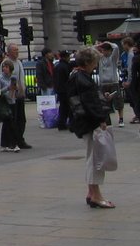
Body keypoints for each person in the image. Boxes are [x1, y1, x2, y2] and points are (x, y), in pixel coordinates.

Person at [67, 47, 114, 208]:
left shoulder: (76, 76)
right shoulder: (83, 79)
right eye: (94, 62)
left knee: (91, 157)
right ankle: (96, 195)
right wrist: (101, 118)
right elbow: (90, 103)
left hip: (83, 122)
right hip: (90, 122)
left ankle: (91, 192)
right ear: (87, 62)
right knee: (95, 159)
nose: (96, 65)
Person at [5, 44, 30, 149]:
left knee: (21, 119)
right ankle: (13, 141)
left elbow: (21, 78)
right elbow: (6, 79)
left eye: (17, 50)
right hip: (11, 96)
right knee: (13, 119)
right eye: (15, 50)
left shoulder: (19, 62)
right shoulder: (6, 63)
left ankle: (20, 139)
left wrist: (23, 89)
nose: (17, 52)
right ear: (9, 52)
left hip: (20, 95)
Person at [96, 41, 125, 128]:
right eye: (103, 50)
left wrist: (107, 42)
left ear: (109, 51)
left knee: (118, 101)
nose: (104, 52)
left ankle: (121, 119)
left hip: (113, 82)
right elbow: (92, 50)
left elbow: (116, 47)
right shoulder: (100, 58)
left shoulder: (113, 58)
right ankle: (106, 119)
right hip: (103, 83)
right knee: (104, 103)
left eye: (106, 50)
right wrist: (99, 45)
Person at [0, 59, 20, 152]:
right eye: (3, 67)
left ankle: (4, 144)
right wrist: (7, 88)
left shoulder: (13, 78)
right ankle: (13, 144)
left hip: (13, 101)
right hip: (4, 103)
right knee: (10, 124)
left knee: (8, 124)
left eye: (6, 67)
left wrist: (16, 89)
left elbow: (15, 89)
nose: (4, 69)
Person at [53, 49, 74, 131]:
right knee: (70, 108)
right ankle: (71, 124)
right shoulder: (66, 66)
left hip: (59, 90)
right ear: (66, 57)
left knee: (63, 108)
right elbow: (68, 79)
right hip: (66, 90)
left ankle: (61, 123)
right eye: (68, 56)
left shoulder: (57, 66)